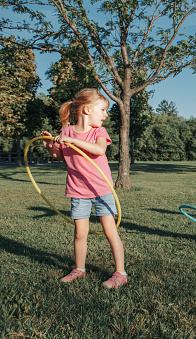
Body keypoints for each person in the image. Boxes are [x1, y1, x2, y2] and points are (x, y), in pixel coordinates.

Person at [41, 88, 127, 288]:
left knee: (109, 231)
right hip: (78, 190)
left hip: (101, 189)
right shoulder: (66, 131)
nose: (106, 115)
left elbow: (99, 149)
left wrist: (71, 141)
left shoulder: (98, 132)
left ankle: (121, 273)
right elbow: (61, 156)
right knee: (80, 233)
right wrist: (49, 147)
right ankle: (79, 269)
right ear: (87, 110)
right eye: (103, 110)